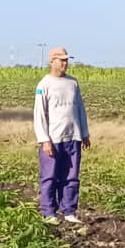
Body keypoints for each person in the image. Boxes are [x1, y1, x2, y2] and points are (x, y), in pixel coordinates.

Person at [33, 46, 90, 225]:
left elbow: (80, 108)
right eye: (61, 60)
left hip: (73, 137)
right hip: (53, 140)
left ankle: (69, 211)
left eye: (66, 60)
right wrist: (44, 140)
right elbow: (39, 114)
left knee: (71, 177)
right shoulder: (44, 84)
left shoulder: (73, 83)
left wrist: (85, 133)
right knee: (50, 177)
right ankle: (49, 212)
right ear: (52, 61)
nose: (65, 63)